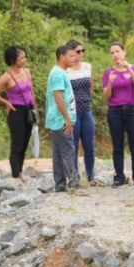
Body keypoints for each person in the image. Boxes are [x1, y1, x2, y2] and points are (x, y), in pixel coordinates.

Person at [0, 45, 36, 179]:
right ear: (14, 60)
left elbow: (31, 91)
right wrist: (6, 102)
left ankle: (20, 171)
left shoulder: (27, 72)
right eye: (22, 57)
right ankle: (15, 175)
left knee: (25, 143)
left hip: (28, 109)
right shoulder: (7, 76)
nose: (25, 60)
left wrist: (34, 109)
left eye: (25, 57)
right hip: (16, 111)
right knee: (17, 144)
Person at [102, 42, 134, 187]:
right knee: (117, 145)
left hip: (133, 110)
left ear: (124, 52)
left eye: (117, 51)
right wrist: (110, 83)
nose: (115, 55)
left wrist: (128, 67)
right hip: (115, 111)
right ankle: (119, 176)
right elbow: (106, 96)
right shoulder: (108, 72)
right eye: (112, 52)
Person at [46, 44, 85, 194]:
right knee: (68, 150)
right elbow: (58, 96)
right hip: (61, 119)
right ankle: (74, 184)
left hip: (58, 119)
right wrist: (67, 118)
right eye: (71, 55)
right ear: (62, 57)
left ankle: (60, 185)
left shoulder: (60, 72)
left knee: (58, 152)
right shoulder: (57, 73)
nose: (74, 58)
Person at [66, 39, 96, 184]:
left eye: (83, 51)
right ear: (71, 52)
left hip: (86, 110)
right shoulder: (66, 71)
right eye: (78, 51)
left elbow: (91, 85)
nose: (81, 54)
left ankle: (91, 176)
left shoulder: (87, 67)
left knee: (89, 146)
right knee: (74, 146)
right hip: (73, 112)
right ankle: (74, 177)